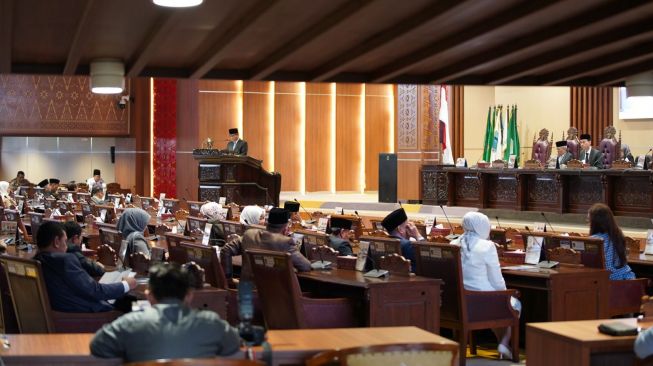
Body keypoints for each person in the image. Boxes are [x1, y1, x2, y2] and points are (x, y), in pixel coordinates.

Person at [90, 263, 241, 363]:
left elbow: (97, 346)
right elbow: (234, 345)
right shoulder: (212, 323)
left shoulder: (130, 322)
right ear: (189, 295)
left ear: (149, 295)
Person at [455, 212, 521, 360]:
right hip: (480, 302)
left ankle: (502, 345)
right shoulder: (487, 246)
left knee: (502, 305)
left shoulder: (454, 243)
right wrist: (506, 295)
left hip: (458, 302)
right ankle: (503, 343)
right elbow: (497, 280)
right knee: (513, 305)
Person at [33, 221, 136, 312]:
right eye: (65, 241)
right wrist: (126, 284)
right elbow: (95, 291)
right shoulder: (65, 260)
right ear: (56, 242)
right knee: (135, 307)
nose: (66, 247)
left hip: (62, 312)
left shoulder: (36, 260)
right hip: (84, 316)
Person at [222, 208, 311, 281]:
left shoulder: (249, 234)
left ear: (267, 224)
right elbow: (305, 266)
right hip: (273, 297)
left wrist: (228, 278)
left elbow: (226, 250)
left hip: (247, 292)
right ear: (285, 228)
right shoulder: (285, 242)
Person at [588, 203, 635, 280]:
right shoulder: (618, 235)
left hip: (608, 283)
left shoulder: (594, 240)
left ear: (594, 222)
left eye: (589, 220)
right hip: (627, 279)